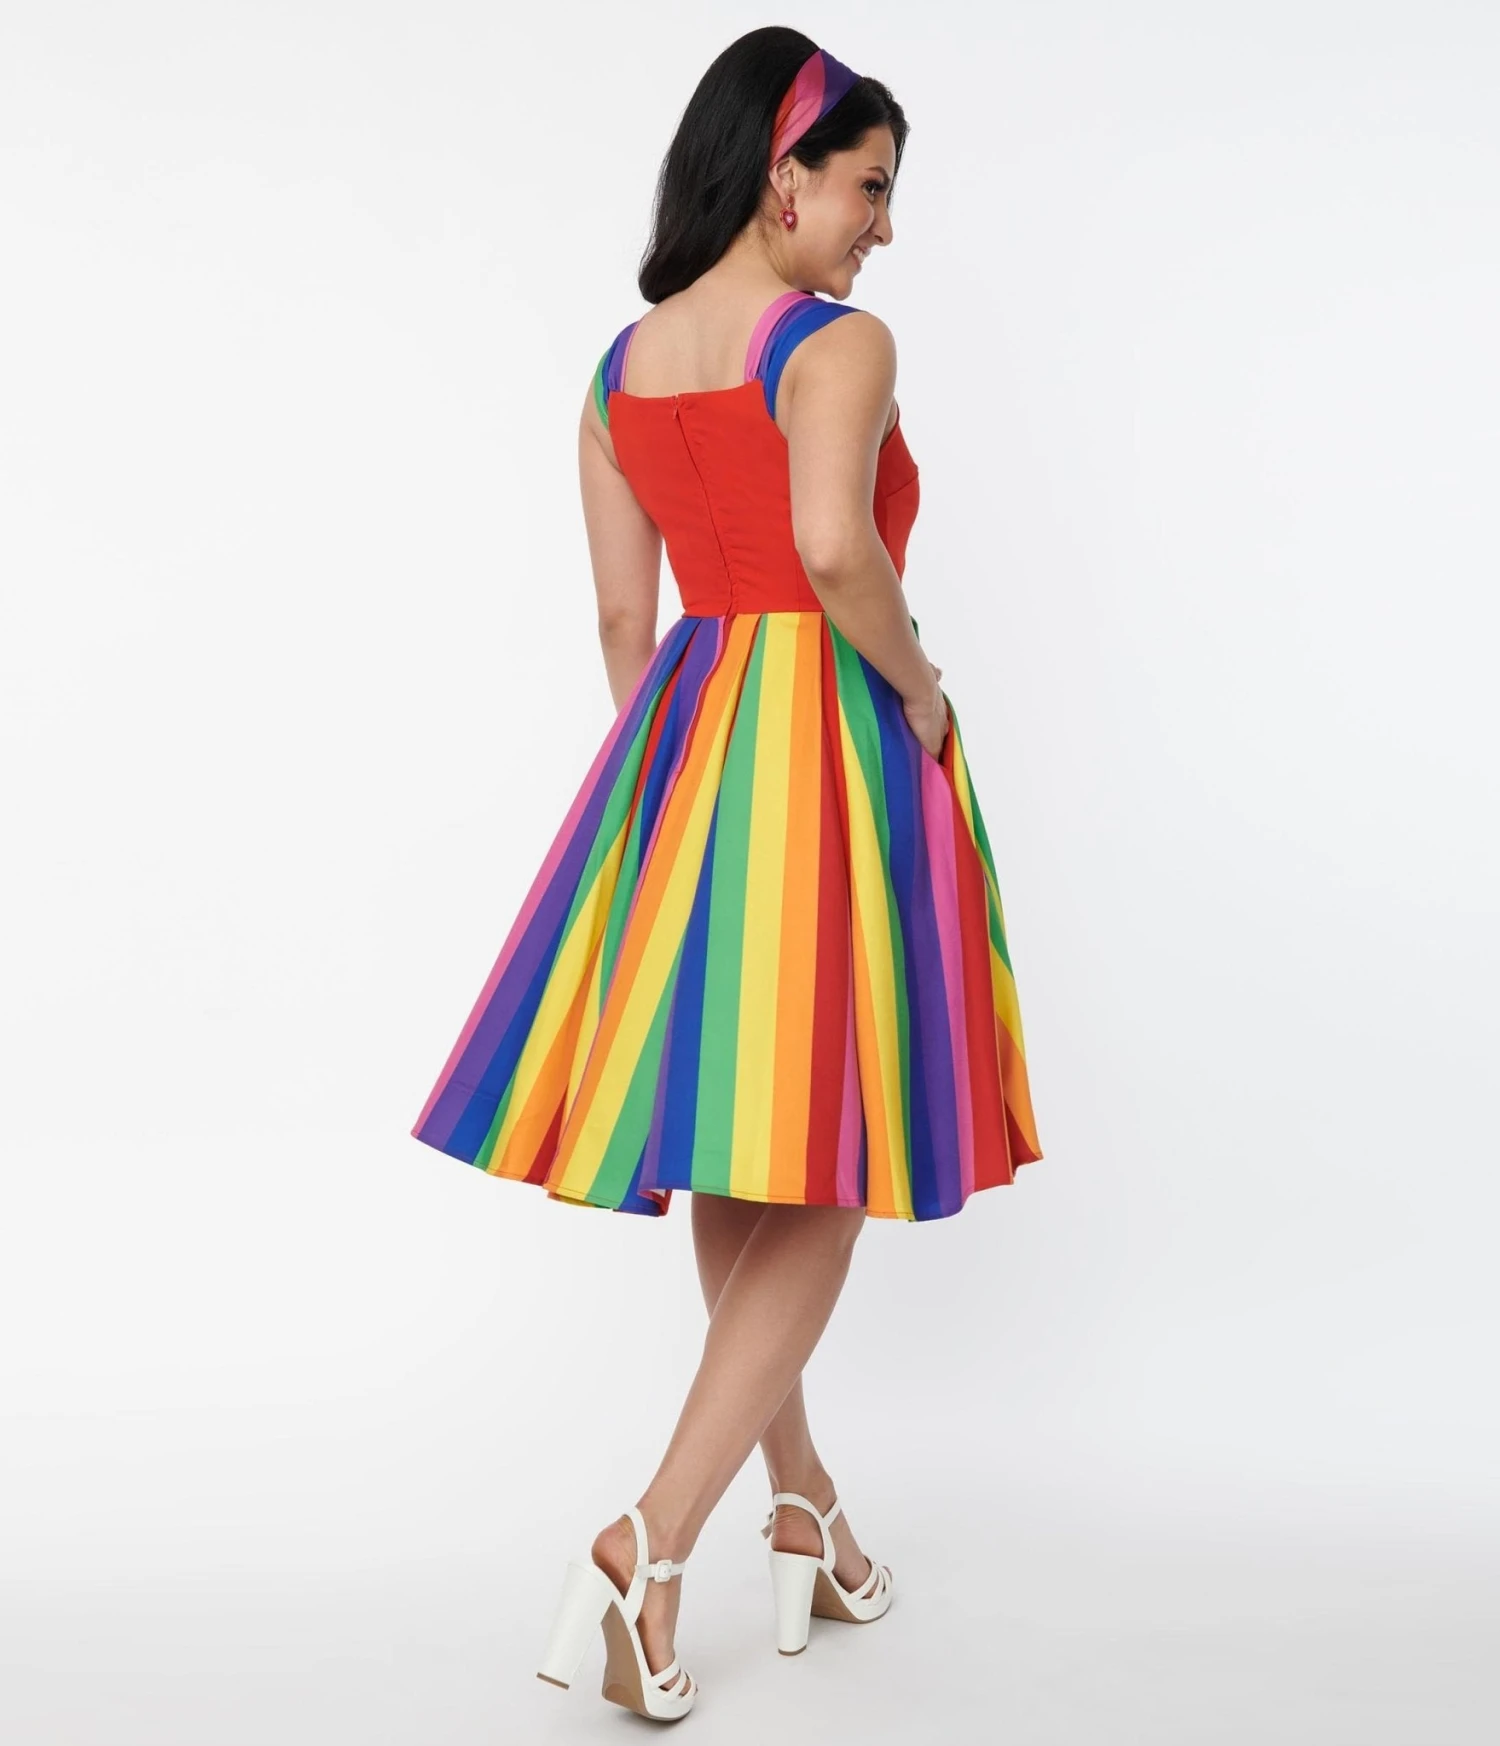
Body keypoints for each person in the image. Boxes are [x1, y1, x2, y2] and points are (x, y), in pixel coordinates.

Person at [410, 26, 1043, 1723]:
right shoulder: (835, 344)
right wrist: (919, 691)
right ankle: (650, 1542)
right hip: (827, 744)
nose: (884, 227)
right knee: (827, 1156)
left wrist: (679, 788)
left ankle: (805, 1506)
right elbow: (836, 549)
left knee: (751, 1155)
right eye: (870, 187)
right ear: (784, 175)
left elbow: (627, 621)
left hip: (686, 750)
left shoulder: (618, 370)